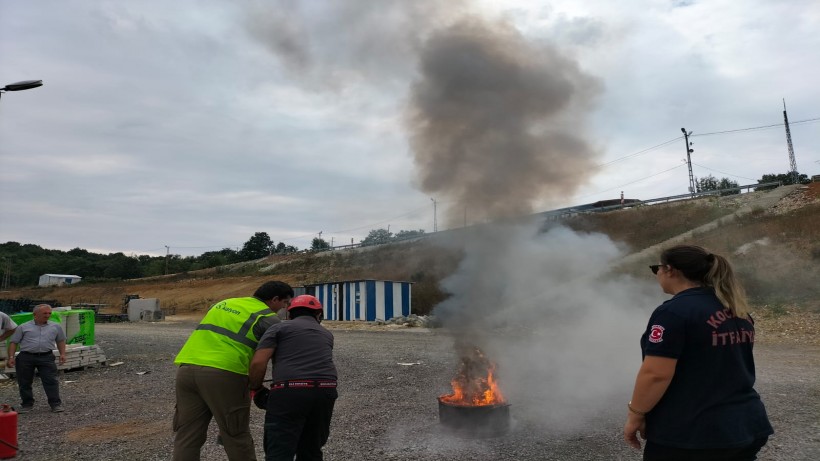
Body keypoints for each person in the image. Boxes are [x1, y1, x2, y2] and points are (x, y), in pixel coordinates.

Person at [624, 245, 774, 460]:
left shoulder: (672, 312)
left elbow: (656, 374)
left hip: (693, 434)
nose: (657, 274)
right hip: (746, 425)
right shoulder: (737, 309)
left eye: (656, 268)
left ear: (670, 269)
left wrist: (635, 414)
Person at [172, 281, 294, 461]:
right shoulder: (268, 318)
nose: (285, 308)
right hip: (225, 373)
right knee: (235, 433)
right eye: (285, 303)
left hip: (187, 369)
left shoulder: (224, 303)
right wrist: (257, 386)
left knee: (188, 433)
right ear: (275, 299)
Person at [249, 294, 338, 461]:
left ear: (289, 314)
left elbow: (258, 363)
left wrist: (256, 389)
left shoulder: (278, 328)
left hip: (289, 392)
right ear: (319, 315)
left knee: (279, 452)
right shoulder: (326, 334)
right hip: (326, 390)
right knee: (311, 449)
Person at [7, 304, 67, 414]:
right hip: (26, 357)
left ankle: (55, 404)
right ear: (35, 314)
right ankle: (27, 404)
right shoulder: (23, 327)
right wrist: (11, 357)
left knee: (51, 380)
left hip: (46, 357)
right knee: (24, 381)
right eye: (45, 313)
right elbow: (13, 342)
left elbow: (61, 340)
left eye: (49, 313)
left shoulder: (55, 326)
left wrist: (63, 354)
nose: (48, 315)